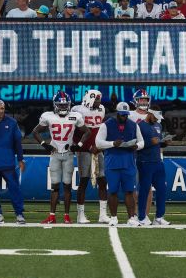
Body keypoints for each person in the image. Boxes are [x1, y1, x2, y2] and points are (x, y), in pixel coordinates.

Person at [33, 90, 85, 224]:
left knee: (67, 186)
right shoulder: (48, 116)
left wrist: (78, 145)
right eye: (60, 105)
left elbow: (87, 132)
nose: (63, 107)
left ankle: (67, 216)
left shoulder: (75, 116)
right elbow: (35, 132)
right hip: (55, 154)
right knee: (55, 186)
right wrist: (45, 144)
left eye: (65, 105)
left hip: (68, 155)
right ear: (55, 105)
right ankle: (52, 216)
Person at [95, 102, 145, 226]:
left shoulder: (134, 125)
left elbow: (142, 141)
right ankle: (113, 217)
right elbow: (98, 143)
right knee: (113, 191)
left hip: (128, 162)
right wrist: (112, 144)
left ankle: (131, 217)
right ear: (117, 113)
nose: (124, 117)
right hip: (112, 162)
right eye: (122, 115)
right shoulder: (106, 125)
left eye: (126, 115)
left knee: (129, 191)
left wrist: (136, 146)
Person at [131, 90, 170, 226]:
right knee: (144, 189)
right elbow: (137, 143)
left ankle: (159, 216)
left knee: (161, 189)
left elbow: (157, 142)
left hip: (157, 160)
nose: (158, 118)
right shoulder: (139, 125)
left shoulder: (158, 125)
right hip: (144, 160)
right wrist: (149, 143)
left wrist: (163, 143)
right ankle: (141, 216)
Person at [71, 89, 109, 223]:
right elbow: (74, 131)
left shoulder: (102, 109)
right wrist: (85, 146)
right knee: (84, 181)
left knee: (102, 180)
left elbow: (100, 131)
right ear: (90, 98)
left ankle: (103, 214)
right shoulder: (77, 110)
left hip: (98, 149)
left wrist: (99, 146)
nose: (99, 102)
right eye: (97, 99)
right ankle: (80, 215)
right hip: (84, 150)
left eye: (100, 99)